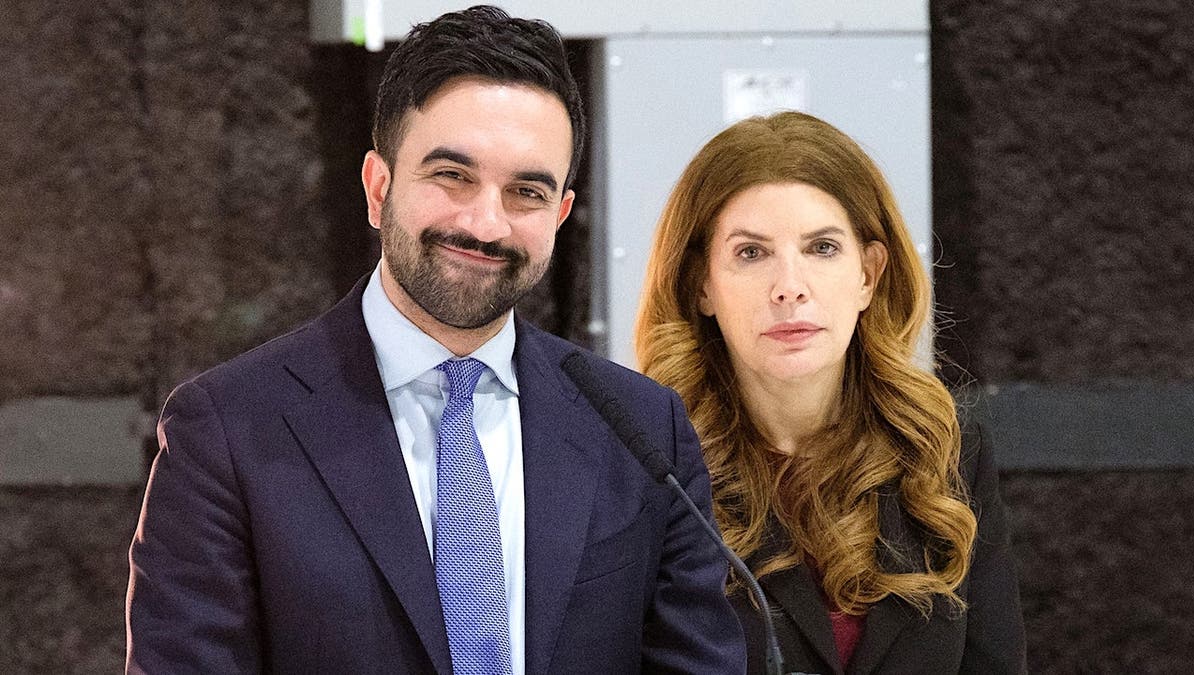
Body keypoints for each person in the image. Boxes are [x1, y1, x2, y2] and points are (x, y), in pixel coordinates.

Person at [126, 6, 744, 673]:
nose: (485, 223)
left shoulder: (643, 431)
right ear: (378, 187)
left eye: (526, 192)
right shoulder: (226, 433)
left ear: (561, 214)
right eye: (452, 175)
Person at [634, 111, 1027, 674]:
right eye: (751, 253)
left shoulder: (948, 452)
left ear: (868, 274)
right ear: (701, 285)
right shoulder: (648, 466)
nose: (789, 288)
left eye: (821, 249)